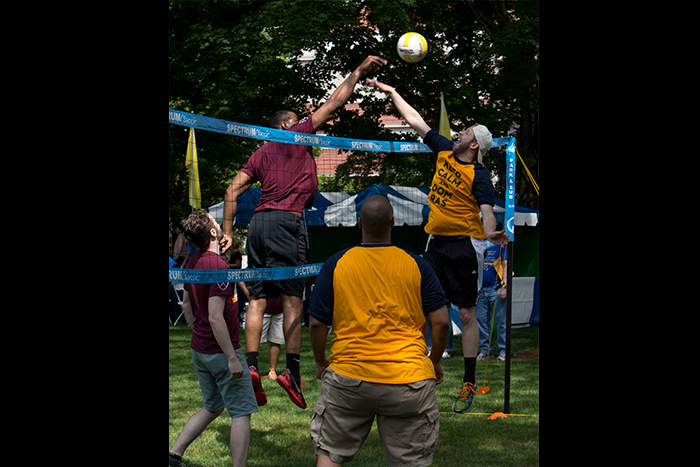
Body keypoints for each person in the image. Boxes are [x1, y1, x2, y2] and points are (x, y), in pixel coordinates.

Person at [220, 55, 387, 409]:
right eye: (297, 120)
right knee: (294, 299)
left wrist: (228, 231)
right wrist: (357, 71)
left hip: (259, 226)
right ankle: (291, 372)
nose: (305, 126)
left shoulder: (259, 152)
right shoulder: (294, 135)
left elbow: (231, 191)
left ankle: (252, 365)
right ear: (285, 124)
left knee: (259, 299)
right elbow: (334, 103)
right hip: (286, 221)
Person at [366, 78, 510, 413]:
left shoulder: (480, 175)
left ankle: (469, 381)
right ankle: (414, 364)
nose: (461, 132)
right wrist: (392, 92)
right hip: (435, 244)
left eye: (467, 132)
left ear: (474, 146)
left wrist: (491, 233)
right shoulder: (444, 151)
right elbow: (417, 121)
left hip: (465, 247)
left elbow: (486, 211)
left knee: (467, 312)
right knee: (416, 300)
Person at [308, 195, 450, 467]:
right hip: (409, 380)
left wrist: (320, 363)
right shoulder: (418, 265)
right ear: (393, 223)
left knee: (328, 457)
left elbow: (316, 323)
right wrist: (434, 362)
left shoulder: (336, 263)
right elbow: (442, 322)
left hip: (349, 378)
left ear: (358, 222)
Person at [169, 209, 258, 467]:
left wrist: (197, 328)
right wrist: (232, 358)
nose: (220, 224)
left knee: (213, 406)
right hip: (220, 352)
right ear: (211, 232)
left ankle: (174, 455)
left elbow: (186, 305)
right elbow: (215, 317)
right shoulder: (217, 267)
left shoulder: (193, 262)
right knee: (242, 412)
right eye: (216, 222)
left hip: (199, 349)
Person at [476, 240, 508, 361]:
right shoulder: (477, 243)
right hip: (480, 289)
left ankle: (504, 350)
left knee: (501, 321)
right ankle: (486, 351)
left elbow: (506, 266)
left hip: (497, 288)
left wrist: (505, 286)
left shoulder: (501, 244)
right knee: (481, 321)